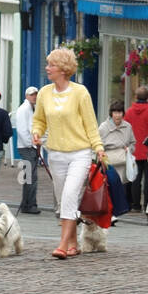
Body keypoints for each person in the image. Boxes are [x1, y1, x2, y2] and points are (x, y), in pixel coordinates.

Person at [31, 47, 107, 258]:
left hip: (79, 153)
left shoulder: (80, 92)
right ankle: (74, 244)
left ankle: (63, 245)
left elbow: (91, 124)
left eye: (51, 65)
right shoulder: (45, 93)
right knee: (63, 199)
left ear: (63, 69)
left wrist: (98, 148)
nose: (47, 68)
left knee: (70, 196)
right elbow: (39, 120)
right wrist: (36, 133)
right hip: (55, 154)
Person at [98, 99, 137, 206]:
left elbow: (133, 143)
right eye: (115, 112)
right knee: (110, 187)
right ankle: (110, 212)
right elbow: (97, 145)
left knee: (121, 188)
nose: (117, 115)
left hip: (123, 163)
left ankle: (115, 211)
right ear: (111, 113)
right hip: (108, 163)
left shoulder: (128, 127)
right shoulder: (103, 127)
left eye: (119, 112)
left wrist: (129, 149)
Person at [124, 85, 148, 212]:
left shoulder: (129, 112)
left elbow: (125, 129)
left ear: (136, 97)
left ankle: (135, 205)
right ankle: (147, 204)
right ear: (147, 97)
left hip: (134, 150)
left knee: (135, 179)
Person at [12, 86, 41, 214]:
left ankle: (27, 203)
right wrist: (31, 144)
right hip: (27, 147)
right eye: (32, 95)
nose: (34, 96)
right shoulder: (23, 109)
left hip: (30, 146)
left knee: (29, 176)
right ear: (26, 96)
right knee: (30, 176)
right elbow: (22, 130)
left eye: (36, 94)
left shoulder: (33, 108)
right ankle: (29, 204)